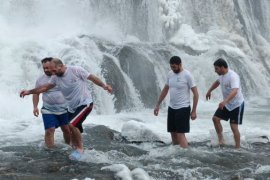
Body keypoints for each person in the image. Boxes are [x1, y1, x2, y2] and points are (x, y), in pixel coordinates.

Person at [20, 58, 112, 160]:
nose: (52, 73)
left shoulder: (76, 70)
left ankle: (80, 149)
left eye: (54, 70)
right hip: (70, 107)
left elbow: (92, 78)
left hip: (84, 103)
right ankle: (74, 147)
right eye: (49, 70)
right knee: (72, 127)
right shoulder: (55, 78)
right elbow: (44, 88)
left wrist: (104, 86)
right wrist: (29, 92)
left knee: (71, 125)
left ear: (61, 66)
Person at [154, 56, 199, 148]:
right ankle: (177, 155)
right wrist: (157, 105)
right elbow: (165, 89)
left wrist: (194, 111)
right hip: (172, 108)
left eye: (174, 67)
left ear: (180, 65)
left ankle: (186, 154)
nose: (173, 69)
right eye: (171, 67)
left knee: (180, 133)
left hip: (183, 107)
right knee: (173, 133)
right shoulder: (170, 74)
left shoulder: (187, 75)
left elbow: (196, 94)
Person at [206, 58, 244, 149]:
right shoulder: (222, 75)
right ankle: (221, 140)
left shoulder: (233, 76)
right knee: (215, 119)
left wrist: (224, 101)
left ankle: (238, 148)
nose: (215, 71)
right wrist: (209, 91)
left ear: (222, 67)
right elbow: (217, 82)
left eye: (216, 69)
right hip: (227, 104)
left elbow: (235, 91)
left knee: (233, 126)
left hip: (236, 104)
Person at [33, 57, 70, 148]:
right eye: (44, 68)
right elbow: (36, 93)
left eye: (48, 68)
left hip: (65, 109)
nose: (46, 70)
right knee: (49, 130)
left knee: (66, 129)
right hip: (48, 109)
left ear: (54, 66)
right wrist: (35, 107)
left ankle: (68, 145)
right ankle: (50, 151)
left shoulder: (63, 76)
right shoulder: (40, 79)